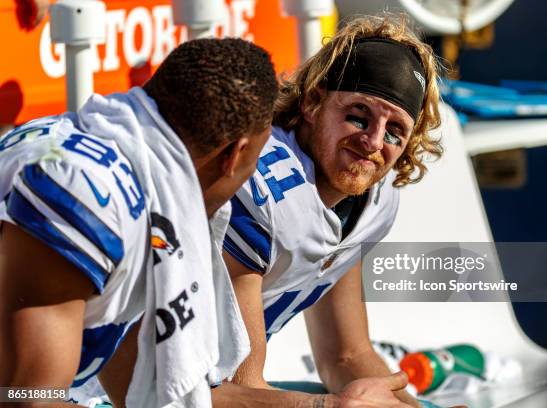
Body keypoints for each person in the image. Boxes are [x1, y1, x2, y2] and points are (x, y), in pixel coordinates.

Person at [0, 36, 416, 408]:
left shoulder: (133, 170)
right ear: (235, 157)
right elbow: (28, 399)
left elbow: (155, 392)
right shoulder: (82, 197)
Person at [223, 13, 443, 408]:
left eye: (395, 131)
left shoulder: (370, 201)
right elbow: (241, 390)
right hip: (116, 391)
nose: (373, 142)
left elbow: (347, 357)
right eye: (358, 115)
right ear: (312, 102)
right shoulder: (259, 191)